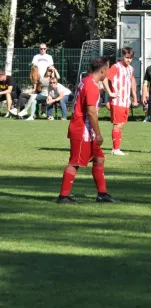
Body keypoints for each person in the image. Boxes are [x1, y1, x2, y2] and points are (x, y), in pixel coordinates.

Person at [56, 56, 118, 204]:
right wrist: (98, 134)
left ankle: (102, 194)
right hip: (82, 129)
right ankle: (63, 196)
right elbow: (91, 112)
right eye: (107, 69)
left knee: (99, 158)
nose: (108, 72)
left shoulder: (86, 81)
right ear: (103, 70)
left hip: (86, 130)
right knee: (75, 162)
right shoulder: (91, 86)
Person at [103, 47, 139, 155]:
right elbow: (105, 78)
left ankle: (117, 148)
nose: (128, 60)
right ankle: (115, 149)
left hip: (126, 101)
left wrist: (134, 97)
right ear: (122, 56)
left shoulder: (130, 69)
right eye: (127, 57)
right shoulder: (116, 67)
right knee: (117, 124)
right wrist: (110, 93)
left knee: (121, 125)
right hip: (117, 101)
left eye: (130, 58)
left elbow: (132, 81)